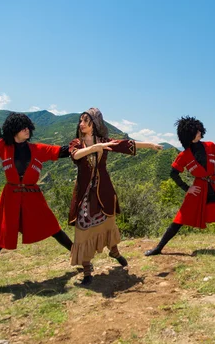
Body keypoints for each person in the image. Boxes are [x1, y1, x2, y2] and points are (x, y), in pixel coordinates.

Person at [0, 88, 73, 298]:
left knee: (54, 228)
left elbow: (61, 151)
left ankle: (80, 257)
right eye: (23, 127)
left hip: (32, 196)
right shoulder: (4, 146)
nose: (27, 130)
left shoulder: (36, 149)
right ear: (14, 130)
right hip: (10, 198)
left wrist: (80, 144)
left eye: (28, 127)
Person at [69, 108, 162, 285]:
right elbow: (75, 155)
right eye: (80, 121)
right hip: (84, 195)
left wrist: (149, 144)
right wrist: (95, 148)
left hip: (103, 191)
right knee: (82, 230)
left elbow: (124, 144)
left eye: (85, 121)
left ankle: (114, 251)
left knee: (108, 223)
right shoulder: (76, 143)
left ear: (94, 123)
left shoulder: (104, 141)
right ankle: (87, 270)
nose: (81, 124)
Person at [145, 116, 215, 256]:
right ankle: (158, 248)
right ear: (188, 135)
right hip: (198, 190)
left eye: (199, 129)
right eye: (196, 130)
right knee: (180, 219)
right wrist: (187, 188)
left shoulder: (209, 146)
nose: (199, 132)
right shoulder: (184, 155)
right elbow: (173, 173)